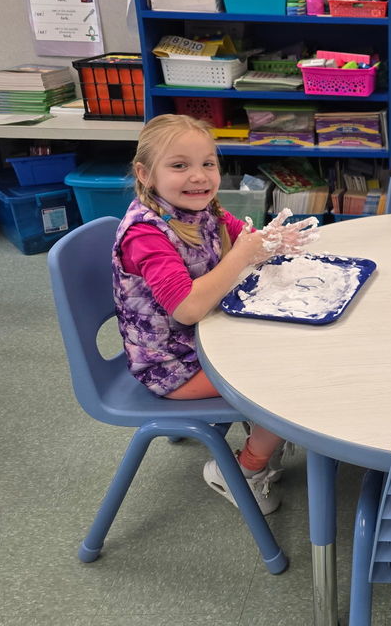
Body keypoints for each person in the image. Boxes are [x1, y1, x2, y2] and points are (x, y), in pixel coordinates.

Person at [112, 114, 316, 515]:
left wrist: (271, 242)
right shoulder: (145, 234)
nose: (199, 176)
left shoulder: (203, 211)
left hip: (209, 336)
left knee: (299, 339)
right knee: (288, 380)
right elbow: (187, 309)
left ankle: (270, 436)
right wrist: (243, 254)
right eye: (179, 165)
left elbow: (243, 237)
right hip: (173, 364)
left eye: (208, 163)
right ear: (145, 173)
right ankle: (243, 470)